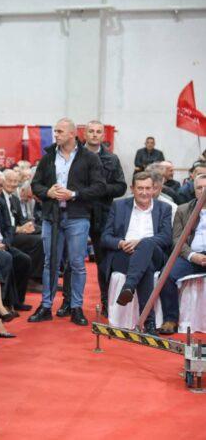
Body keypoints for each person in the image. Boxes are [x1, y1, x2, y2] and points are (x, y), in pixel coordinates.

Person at [29, 118, 105, 326]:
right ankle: (46, 306)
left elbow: (99, 187)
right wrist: (48, 192)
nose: (56, 135)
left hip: (77, 216)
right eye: (55, 131)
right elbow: (35, 184)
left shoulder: (89, 158)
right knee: (50, 262)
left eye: (60, 131)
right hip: (51, 217)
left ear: (72, 133)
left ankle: (76, 307)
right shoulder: (48, 157)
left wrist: (73, 194)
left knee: (78, 263)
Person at [59, 120, 127, 317]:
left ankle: (106, 302)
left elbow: (121, 187)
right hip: (76, 211)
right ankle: (68, 302)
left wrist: (99, 189)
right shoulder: (73, 155)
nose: (95, 134)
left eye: (98, 132)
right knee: (72, 260)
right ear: (84, 134)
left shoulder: (112, 159)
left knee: (104, 261)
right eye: (91, 131)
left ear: (103, 135)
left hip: (102, 214)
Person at [99, 172, 172, 333]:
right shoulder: (119, 206)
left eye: (147, 188)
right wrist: (120, 243)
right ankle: (149, 322)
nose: (144, 192)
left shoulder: (163, 208)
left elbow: (166, 237)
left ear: (153, 189)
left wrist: (140, 242)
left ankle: (129, 286)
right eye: (140, 188)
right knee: (146, 268)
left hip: (154, 253)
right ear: (132, 189)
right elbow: (105, 237)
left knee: (146, 244)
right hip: (124, 254)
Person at [158, 174, 206, 335]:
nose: (203, 191)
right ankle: (170, 320)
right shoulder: (183, 210)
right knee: (166, 275)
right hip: (190, 255)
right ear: (194, 191)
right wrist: (192, 255)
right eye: (199, 188)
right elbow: (177, 239)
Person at [0, 170, 32, 313]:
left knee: (24, 260)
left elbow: (9, 228)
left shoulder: (1, 203)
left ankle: (17, 301)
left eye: (0, 185)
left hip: (2, 243)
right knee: (6, 258)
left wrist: (5, 243)